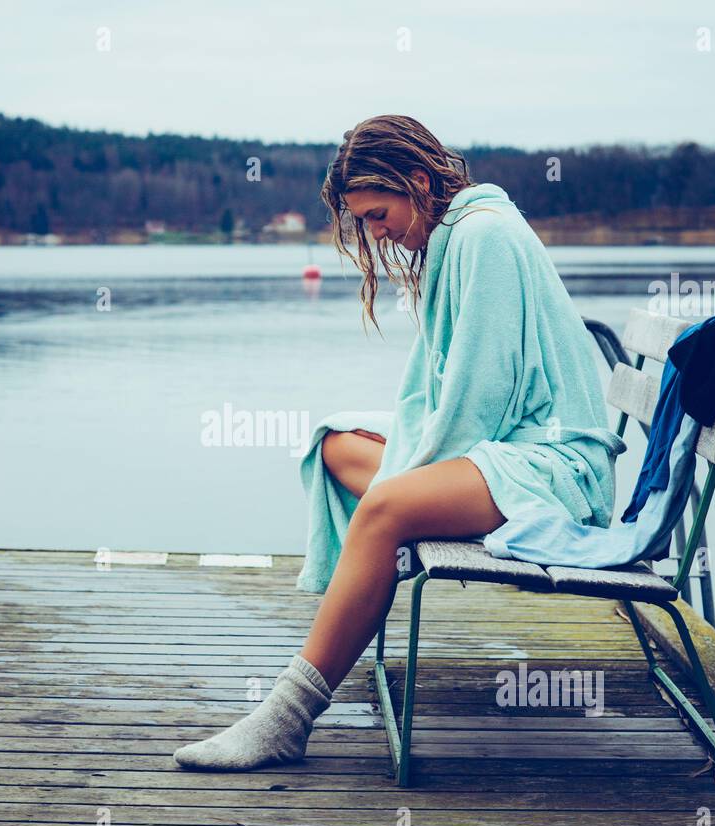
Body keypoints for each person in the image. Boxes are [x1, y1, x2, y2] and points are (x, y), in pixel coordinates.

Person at [173, 115, 623, 772]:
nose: (376, 232)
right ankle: (362, 586)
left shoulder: (485, 238)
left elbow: (478, 397)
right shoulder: (455, 238)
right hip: (504, 452)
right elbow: (436, 397)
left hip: (555, 470)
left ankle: (287, 716)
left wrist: (407, 483)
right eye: (365, 220)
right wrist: (410, 463)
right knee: (334, 443)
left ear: (419, 181)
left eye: (380, 213)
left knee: (383, 510)